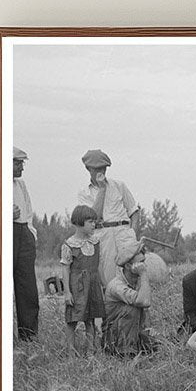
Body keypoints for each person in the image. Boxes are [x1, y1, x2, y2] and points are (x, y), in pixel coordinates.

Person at [77, 149, 141, 287]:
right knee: (110, 280)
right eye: (97, 169)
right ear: (88, 169)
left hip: (124, 233)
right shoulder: (84, 193)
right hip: (103, 236)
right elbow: (93, 217)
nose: (101, 172)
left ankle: (136, 299)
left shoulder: (119, 186)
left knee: (134, 273)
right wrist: (102, 189)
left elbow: (134, 211)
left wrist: (133, 234)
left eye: (104, 168)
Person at [59, 204, 104, 356]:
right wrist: (67, 292)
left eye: (94, 221)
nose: (94, 225)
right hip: (77, 286)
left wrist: (102, 285)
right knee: (72, 319)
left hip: (92, 285)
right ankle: (71, 353)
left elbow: (99, 266)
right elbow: (65, 268)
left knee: (90, 319)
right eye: (90, 222)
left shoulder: (95, 242)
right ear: (79, 222)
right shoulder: (70, 244)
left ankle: (90, 352)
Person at [103, 237, 158, 357]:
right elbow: (144, 302)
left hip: (133, 331)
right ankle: (125, 351)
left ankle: (139, 345)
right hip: (114, 337)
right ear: (128, 266)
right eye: (140, 263)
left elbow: (146, 308)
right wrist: (143, 274)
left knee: (156, 344)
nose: (144, 266)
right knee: (132, 308)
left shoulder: (137, 280)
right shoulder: (116, 285)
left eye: (144, 261)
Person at [12, 146, 39, 341]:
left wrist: (31, 233)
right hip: (5, 234)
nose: (21, 167)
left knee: (27, 287)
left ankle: (28, 336)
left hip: (24, 234)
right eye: (17, 163)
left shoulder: (21, 185)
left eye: (22, 163)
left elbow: (28, 211)